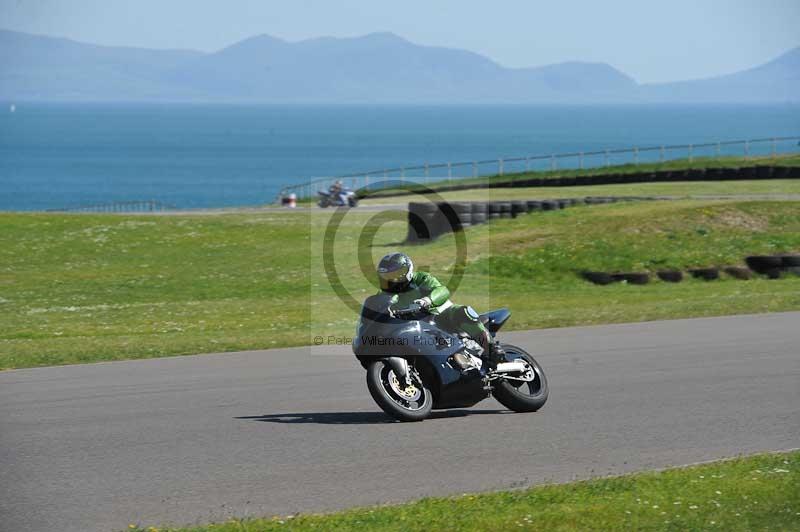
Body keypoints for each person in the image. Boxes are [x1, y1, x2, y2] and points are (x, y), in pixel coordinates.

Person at [375, 251, 505, 369]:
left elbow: (442, 290)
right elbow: (376, 310)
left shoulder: (420, 279)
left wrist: (427, 300)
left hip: (440, 318)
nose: (392, 279)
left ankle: (491, 349)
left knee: (463, 311)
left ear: (407, 271)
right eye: (387, 276)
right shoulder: (384, 296)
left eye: (396, 274)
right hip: (414, 330)